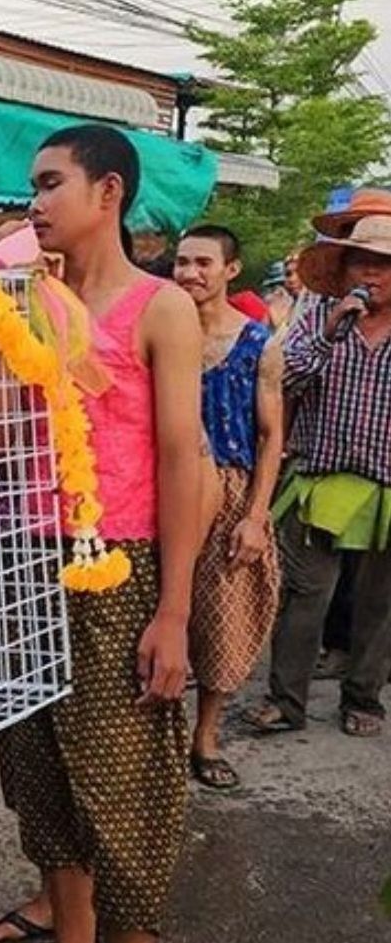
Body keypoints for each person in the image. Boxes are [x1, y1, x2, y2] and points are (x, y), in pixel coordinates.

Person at [0, 124, 200, 943]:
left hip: (118, 564)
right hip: (24, 560)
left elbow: (183, 460)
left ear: (107, 193)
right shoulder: (30, 304)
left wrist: (172, 611)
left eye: (48, 183)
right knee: (41, 779)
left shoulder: (160, 307)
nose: (33, 204)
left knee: (125, 789)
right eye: (31, 188)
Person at [249, 199, 391, 738]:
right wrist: (331, 329)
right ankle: (286, 701)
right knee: (306, 595)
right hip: (317, 479)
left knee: (380, 602)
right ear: (345, 269)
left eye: (384, 264)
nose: (371, 273)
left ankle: (364, 698)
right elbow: (284, 380)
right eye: (360, 261)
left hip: (386, 485)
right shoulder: (316, 318)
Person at [173, 225, 282, 790]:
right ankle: (160, 742)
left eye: (203, 264)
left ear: (231, 270)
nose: (189, 273)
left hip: (231, 489)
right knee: (158, 616)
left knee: (223, 619)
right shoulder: (161, 331)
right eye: (182, 262)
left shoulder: (258, 343)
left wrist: (256, 516)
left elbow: (270, 436)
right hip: (165, 489)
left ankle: (206, 736)